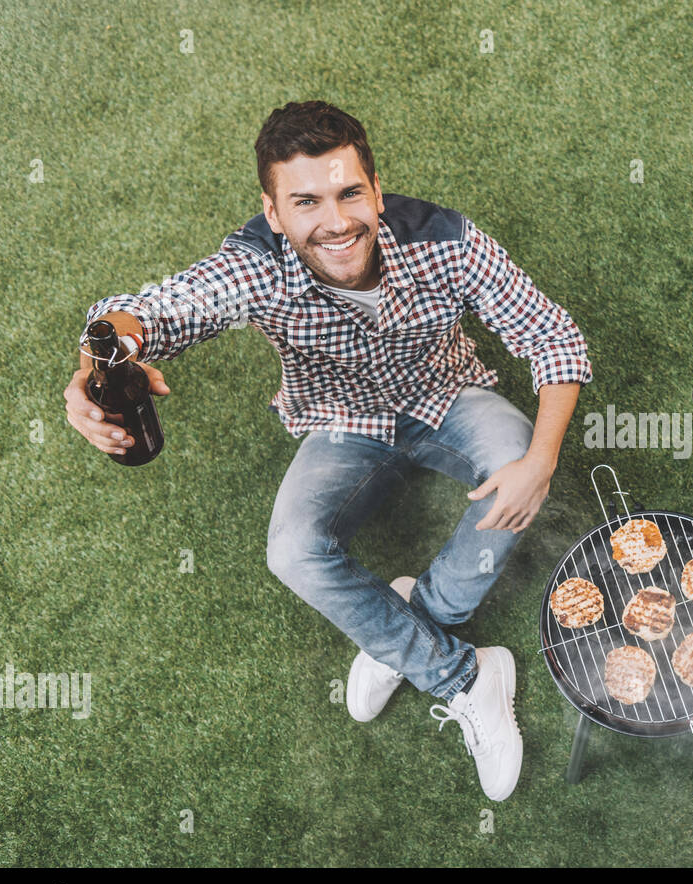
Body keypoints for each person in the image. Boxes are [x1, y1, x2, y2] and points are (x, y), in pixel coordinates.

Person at [64, 101, 593, 802]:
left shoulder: (448, 240)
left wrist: (543, 461)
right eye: (306, 201)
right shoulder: (255, 265)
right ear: (274, 212)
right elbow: (157, 310)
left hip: (448, 395)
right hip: (341, 421)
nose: (337, 222)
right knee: (291, 549)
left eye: (350, 193)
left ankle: (412, 619)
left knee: (519, 461)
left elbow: (554, 337)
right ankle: (467, 675)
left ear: (377, 188)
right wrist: (93, 361)